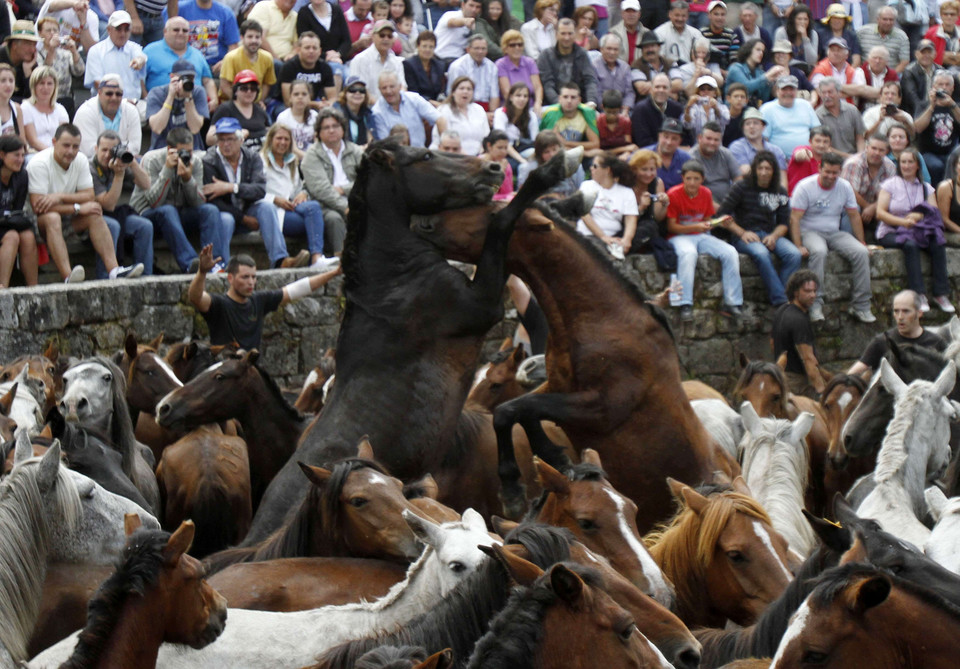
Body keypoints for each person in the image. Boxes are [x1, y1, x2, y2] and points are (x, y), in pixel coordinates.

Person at [28, 123, 143, 283]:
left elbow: (89, 195)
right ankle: (68, 277)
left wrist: (59, 196)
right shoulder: (39, 163)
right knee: (52, 217)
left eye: (75, 146)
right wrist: (77, 207)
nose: (71, 151)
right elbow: (38, 206)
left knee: (94, 213)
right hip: (36, 223)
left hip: (65, 217)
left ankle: (114, 270)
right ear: (54, 142)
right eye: (66, 145)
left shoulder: (80, 159)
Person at [188, 246, 342, 350]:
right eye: (245, 277)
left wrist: (334, 273)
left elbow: (296, 289)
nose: (251, 282)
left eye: (254, 277)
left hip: (250, 373)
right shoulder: (219, 304)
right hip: (223, 375)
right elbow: (196, 297)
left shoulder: (259, 300)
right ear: (230, 278)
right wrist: (202, 272)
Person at [203, 117, 306, 269]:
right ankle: (222, 267)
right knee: (225, 220)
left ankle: (280, 260)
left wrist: (231, 187)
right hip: (227, 211)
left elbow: (259, 190)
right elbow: (212, 199)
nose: (226, 144)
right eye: (221, 139)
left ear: (240, 140)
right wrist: (243, 218)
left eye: (230, 139)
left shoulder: (252, 157)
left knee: (267, 208)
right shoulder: (209, 160)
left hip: (248, 207)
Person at [789, 151, 874, 323]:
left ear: (840, 172)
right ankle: (815, 304)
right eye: (827, 171)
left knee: (861, 252)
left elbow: (854, 216)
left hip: (834, 232)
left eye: (835, 173)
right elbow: (794, 218)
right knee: (819, 251)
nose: (830, 176)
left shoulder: (844, 186)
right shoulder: (805, 186)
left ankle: (861, 305)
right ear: (820, 168)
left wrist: (862, 242)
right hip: (810, 231)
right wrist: (798, 245)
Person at [130, 126, 227, 274]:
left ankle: (213, 264)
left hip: (178, 214)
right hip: (148, 215)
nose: (187, 156)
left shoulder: (195, 161)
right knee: (167, 211)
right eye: (183, 152)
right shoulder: (152, 160)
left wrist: (187, 179)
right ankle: (190, 264)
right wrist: (168, 169)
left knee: (210, 210)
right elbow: (155, 202)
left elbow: (199, 202)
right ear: (170, 149)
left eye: (190, 151)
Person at [874, 148, 954, 313]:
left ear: (917, 165)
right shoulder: (889, 185)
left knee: (938, 244)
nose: (907, 165)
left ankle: (941, 293)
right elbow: (880, 213)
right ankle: (919, 294)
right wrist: (903, 221)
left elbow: (933, 212)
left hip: (918, 230)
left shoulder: (926, 188)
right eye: (903, 162)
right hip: (892, 230)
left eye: (911, 162)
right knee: (910, 246)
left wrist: (917, 216)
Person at [665, 159, 743, 321]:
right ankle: (685, 302)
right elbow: (671, 227)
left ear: (702, 179)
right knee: (689, 254)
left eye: (696, 179)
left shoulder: (706, 193)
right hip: (679, 236)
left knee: (730, 252)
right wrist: (696, 227)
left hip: (700, 235)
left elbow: (707, 221)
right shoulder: (673, 194)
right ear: (683, 179)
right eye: (689, 178)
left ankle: (733, 301)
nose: (692, 183)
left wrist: (718, 222)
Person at [718, 149, 799, 305]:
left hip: (770, 233)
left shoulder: (779, 191)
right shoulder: (741, 187)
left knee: (793, 254)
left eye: (767, 169)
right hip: (744, 235)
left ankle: (782, 294)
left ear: (773, 171)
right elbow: (722, 216)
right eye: (760, 168)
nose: (763, 172)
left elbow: (783, 223)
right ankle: (782, 301)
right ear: (754, 169)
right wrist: (742, 233)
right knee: (762, 254)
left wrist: (774, 236)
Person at [261, 122, 336, 270]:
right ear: (271, 140)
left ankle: (316, 258)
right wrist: (275, 199)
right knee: (314, 221)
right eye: (279, 138)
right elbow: (255, 191)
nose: (283, 143)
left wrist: (303, 193)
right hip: (274, 210)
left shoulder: (292, 162)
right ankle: (315, 257)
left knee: (313, 207)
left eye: (286, 139)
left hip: (292, 206)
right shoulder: (260, 161)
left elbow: (297, 188)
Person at [90, 130, 155, 276]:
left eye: (111, 151)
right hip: (94, 218)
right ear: (96, 149)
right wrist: (119, 176)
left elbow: (146, 184)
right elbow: (108, 205)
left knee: (145, 226)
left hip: (115, 214)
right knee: (112, 226)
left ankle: (146, 278)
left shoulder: (119, 162)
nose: (107, 155)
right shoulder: (91, 168)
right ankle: (104, 278)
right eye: (104, 150)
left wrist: (131, 162)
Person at [301, 107, 364, 255]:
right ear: (319, 132)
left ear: (343, 129)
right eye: (326, 127)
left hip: (355, 200)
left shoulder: (355, 151)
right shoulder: (312, 155)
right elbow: (321, 189)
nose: (331, 130)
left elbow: (366, 180)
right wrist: (346, 208)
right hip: (325, 205)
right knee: (334, 219)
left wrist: (344, 189)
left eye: (335, 126)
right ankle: (340, 258)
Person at [847, 290, 949, 378]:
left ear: (919, 313)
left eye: (906, 311)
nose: (900, 317)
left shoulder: (937, 342)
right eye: (896, 311)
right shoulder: (882, 342)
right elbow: (853, 374)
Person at [770, 269, 826, 398]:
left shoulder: (781, 310)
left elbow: (772, 343)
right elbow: (808, 359)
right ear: (795, 292)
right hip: (797, 383)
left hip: (780, 377)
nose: (812, 295)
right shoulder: (799, 320)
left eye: (814, 291)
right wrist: (821, 391)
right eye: (807, 291)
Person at [143, 16, 218, 109]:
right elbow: (139, 79)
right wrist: (147, 100)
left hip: (192, 108)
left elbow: (207, 80)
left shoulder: (197, 54)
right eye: (176, 30)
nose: (181, 33)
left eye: (185, 31)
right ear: (165, 31)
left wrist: (214, 99)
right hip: (160, 107)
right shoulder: (150, 51)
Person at [576, 151, 640, 255]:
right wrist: (603, 237)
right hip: (587, 235)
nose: (591, 168)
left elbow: (631, 218)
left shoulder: (626, 192)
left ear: (607, 170)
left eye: (595, 166)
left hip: (615, 237)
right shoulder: (586, 186)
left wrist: (626, 239)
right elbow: (584, 215)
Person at [84, 11, 146, 108]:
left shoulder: (134, 48)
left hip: (133, 105)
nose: (123, 33)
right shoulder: (96, 51)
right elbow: (98, 83)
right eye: (118, 29)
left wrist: (139, 61)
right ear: (109, 30)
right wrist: (120, 100)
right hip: (104, 105)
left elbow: (141, 58)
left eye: (126, 30)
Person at [73, 74, 141, 159]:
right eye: (109, 93)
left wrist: (106, 149)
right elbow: (89, 150)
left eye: (118, 94)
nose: (114, 98)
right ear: (99, 93)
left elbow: (135, 147)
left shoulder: (131, 111)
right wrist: (121, 148)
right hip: (92, 164)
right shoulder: (85, 112)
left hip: (124, 162)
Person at [146, 58, 209, 151]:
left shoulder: (198, 92)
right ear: (172, 77)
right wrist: (170, 96)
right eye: (182, 78)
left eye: (190, 78)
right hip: (161, 149)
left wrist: (188, 98)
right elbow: (157, 128)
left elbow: (195, 128)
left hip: (192, 149)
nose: (186, 82)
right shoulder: (156, 93)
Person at [161, 0, 240, 72]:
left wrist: (225, 62)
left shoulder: (226, 13)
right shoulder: (179, 9)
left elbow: (233, 46)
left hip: (215, 67)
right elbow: (166, 39)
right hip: (185, 65)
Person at [0, 135, 38, 287]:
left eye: (23, 155)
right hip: (4, 225)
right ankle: (2, 286)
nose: (21, 160)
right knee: (12, 237)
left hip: (6, 221)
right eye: (16, 155)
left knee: (28, 236)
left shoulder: (21, 175)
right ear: (2, 155)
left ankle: (33, 289)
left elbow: (17, 209)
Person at [371, 70, 445, 146]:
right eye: (384, 88)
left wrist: (443, 145)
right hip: (395, 155)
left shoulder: (414, 99)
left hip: (420, 154)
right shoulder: (376, 112)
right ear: (379, 89)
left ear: (400, 86)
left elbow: (440, 119)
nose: (388, 91)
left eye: (392, 86)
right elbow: (384, 144)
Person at [537, 18, 598, 106]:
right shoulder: (545, 55)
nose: (567, 37)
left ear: (575, 35)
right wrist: (560, 104)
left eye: (570, 33)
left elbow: (590, 80)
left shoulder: (582, 54)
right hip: (553, 105)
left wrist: (591, 101)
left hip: (579, 103)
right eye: (563, 33)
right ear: (556, 34)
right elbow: (547, 85)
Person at [840, 134, 896, 228]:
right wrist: (867, 207)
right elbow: (850, 192)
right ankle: (851, 240)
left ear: (886, 152)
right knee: (852, 207)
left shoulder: (890, 166)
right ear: (867, 148)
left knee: (894, 206)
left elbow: (891, 193)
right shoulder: (854, 163)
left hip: (877, 204)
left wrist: (873, 207)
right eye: (873, 148)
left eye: (881, 150)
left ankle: (885, 238)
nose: (877, 153)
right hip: (855, 202)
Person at [915, 70, 960, 184]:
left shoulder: (956, 106)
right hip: (929, 152)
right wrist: (932, 106)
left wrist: (952, 105)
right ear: (933, 86)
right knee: (936, 166)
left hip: (952, 151)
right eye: (940, 84)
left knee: (953, 163)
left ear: (953, 88)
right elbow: (918, 128)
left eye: (947, 84)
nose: (944, 88)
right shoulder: (923, 105)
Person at [760, 74, 821, 158]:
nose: (788, 93)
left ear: (796, 91)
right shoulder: (767, 109)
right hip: (779, 160)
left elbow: (817, 131)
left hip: (808, 157)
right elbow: (763, 140)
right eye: (784, 89)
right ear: (777, 90)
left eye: (791, 89)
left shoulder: (805, 105)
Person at [208, 70, 271, 150]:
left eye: (253, 89)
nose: (249, 92)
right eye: (244, 88)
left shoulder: (260, 110)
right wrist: (234, 135)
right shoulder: (225, 109)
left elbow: (270, 132)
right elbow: (209, 138)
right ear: (235, 91)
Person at [36, 15, 85, 118]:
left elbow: (79, 71)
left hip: (65, 100)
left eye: (55, 30)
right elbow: (43, 75)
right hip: (45, 100)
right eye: (48, 31)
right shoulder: (37, 55)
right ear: (40, 33)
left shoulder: (65, 54)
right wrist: (51, 50)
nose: (52, 34)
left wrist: (74, 51)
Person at [219, 20, 278, 104]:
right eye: (250, 37)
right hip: (231, 103)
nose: (254, 40)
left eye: (257, 37)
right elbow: (225, 85)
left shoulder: (267, 58)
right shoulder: (231, 57)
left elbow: (267, 83)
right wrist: (239, 103)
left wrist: (259, 101)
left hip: (255, 103)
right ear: (242, 38)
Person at [277, 31, 336, 110]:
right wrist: (315, 104)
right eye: (307, 47)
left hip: (315, 102)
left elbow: (332, 98)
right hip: (284, 105)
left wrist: (328, 104)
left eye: (314, 48)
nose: (311, 51)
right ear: (298, 50)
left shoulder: (325, 68)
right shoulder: (288, 67)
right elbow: (288, 101)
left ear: (320, 51)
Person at [431, 76, 489, 155]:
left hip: (478, 156)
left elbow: (486, 136)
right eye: (461, 88)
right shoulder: (444, 110)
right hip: (453, 155)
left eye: (469, 89)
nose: (465, 92)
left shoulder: (479, 109)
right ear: (453, 92)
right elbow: (445, 140)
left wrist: (482, 154)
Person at [351, 19, 407, 102]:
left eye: (389, 36)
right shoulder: (360, 60)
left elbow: (402, 88)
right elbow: (360, 91)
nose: (386, 39)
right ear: (373, 36)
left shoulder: (397, 62)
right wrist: (382, 107)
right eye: (382, 35)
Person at [628, 148, 670, 257]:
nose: (649, 174)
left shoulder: (657, 183)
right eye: (644, 169)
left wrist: (665, 204)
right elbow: (623, 218)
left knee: (651, 226)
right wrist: (641, 208)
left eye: (652, 169)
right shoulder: (627, 184)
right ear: (634, 169)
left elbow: (657, 217)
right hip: (627, 226)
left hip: (647, 228)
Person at [517, 128, 584, 197]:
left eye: (554, 149)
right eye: (546, 152)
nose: (552, 154)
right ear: (539, 154)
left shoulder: (574, 167)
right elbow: (523, 196)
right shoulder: (528, 169)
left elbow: (578, 193)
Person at [538, 80, 599, 152]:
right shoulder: (551, 114)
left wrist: (567, 143)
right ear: (559, 99)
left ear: (579, 100)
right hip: (555, 154)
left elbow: (595, 144)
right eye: (565, 97)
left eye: (573, 97)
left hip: (580, 152)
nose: (569, 101)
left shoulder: (586, 114)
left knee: (597, 154)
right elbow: (551, 145)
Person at [689, 120, 740, 204]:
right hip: (703, 202)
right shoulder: (691, 157)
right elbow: (694, 188)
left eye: (716, 140)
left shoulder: (726, 154)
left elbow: (738, 178)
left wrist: (735, 197)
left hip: (728, 200)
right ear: (699, 138)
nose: (712, 143)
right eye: (708, 138)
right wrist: (720, 209)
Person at [446, 34, 500, 111]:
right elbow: (454, 95)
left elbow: (494, 95)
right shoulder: (458, 66)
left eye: (483, 48)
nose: (480, 51)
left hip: (487, 108)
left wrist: (492, 115)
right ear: (468, 49)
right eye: (476, 48)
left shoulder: (492, 67)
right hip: (464, 108)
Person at [21, 66, 69, 153]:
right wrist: (53, 154)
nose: (46, 88)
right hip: (35, 154)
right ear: (34, 86)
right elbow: (33, 141)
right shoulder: (26, 108)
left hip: (58, 153)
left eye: (49, 83)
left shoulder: (60, 109)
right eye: (41, 83)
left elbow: (64, 137)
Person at [729, 107, 787, 178]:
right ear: (743, 128)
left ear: (763, 127)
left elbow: (782, 177)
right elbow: (745, 172)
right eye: (747, 124)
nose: (751, 126)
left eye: (755, 123)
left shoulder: (775, 150)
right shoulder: (736, 147)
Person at [814, 77, 864, 159]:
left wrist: (860, 157)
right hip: (831, 160)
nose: (827, 96)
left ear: (839, 93)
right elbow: (824, 147)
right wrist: (851, 158)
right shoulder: (818, 115)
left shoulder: (852, 110)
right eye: (823, 93)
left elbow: (860, 138)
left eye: (830, 92)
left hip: (855, 158)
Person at [631, 72, 684, 147]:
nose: (661, 90)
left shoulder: (677, 108)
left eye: (665, 87)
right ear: (651, 89)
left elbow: (685, 137)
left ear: (670, 90)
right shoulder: (640, 109)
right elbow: (643, 142)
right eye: (657, 87)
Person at [496, 29, 543, 114]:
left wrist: (538, 103)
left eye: (520, 45)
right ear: (505, 48)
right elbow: (507, 92)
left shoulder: (530, 62)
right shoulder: (501, 65)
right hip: (511, 109)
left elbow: (538, 87)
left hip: (531, 107)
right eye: (512, 45)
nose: (517, 48)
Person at [725, 38, 785, 103]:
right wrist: (767, 76)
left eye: (762, 51)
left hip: (754, 109)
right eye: (758, 50)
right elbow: (746, 88)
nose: (761, 53)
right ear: (749, 50)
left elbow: (764, 98)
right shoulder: (735, 68)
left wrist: (770, 82)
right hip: (734, 109)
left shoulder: (760, 72)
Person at [493, 82, 539, 165]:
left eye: (525, 96)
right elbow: (501, 141)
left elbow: (535, 140)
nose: (522, 99)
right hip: (504, 151)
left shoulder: (531, 116)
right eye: (518, 95)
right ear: (511, 97)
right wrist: (521, 160)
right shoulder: (501, 113)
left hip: (524, 149)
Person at [296, 0, 352, 68]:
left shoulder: (337, 10)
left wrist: (338, 54)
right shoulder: (304, 13)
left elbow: (347, 41)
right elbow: (304, 44)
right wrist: (326, 56)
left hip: (340, 60)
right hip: (316, 63)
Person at [857, 7, 910, 74]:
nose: (888, 23)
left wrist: (891, 77)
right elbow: (855, 56)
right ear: (878, 19)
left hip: (890, 77)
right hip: (864, 75)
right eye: (885, 19)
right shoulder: (862, 32)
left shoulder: (902, 37)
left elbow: (904, 62)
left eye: (891, 20)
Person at [246, 0, 299, 65]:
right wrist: (277, 59)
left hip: (287, 62)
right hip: (262, 58)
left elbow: (297, 43)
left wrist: (292, 55)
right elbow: (259, 37)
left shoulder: (295, 16)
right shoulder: (264, 7)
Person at [0, 21, 41, 103]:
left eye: (34, 44)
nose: (33, 49)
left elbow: (36, 98)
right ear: (15, 45)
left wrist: (28, 74)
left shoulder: (31, 63)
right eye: (28, 44)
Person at [645, 117, 692, 188]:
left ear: (680, 141)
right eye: (666, 137)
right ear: (659, 136)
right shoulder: (643, 156)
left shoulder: (687, 159)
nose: (669, 142)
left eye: (674, 138)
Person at [592, 34, 635, 110]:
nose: (612, 52)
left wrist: (625, 110)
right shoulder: (594, 67)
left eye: (615, 49)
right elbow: (596, 93)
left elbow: (629, 92)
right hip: (602, 109)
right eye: (609, 49)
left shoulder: (625, 67)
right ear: (601, 49)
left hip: (622, 109)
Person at [787, 125, 833, 194]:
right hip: (795, 197)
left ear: (830, 144)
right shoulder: (802, 149)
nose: (821, 145)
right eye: (818, 141)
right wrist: (802, 154)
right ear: (810, 141)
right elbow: (798, 155)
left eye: (825, 142)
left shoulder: (829, 159)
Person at [655, 1, 702, 67]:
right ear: (670, 14)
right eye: (677, 15)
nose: (680, 19)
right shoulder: (659, 32)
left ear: (688, 16)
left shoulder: (695, 33)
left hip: (691, 71)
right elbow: (659, 58)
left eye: (683, 16)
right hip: (668, 70)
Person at [403, 31, 445, 103]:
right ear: (418, 46)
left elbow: (441, 90)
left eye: (431, 47)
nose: (427, 50)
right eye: (424, 46)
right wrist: (432, 102)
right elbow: (413, 92)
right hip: (418, 104)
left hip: (437, 103)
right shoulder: (409, 65)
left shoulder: (439, 65)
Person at [277, 80, 319, 153]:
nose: (300, 97)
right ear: (290, 97)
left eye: (304, 94)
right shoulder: (283, 117)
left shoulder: (315, 116)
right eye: (296, 94)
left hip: (312, 155)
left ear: (310, 97)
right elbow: (290, 148)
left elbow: (318, 144)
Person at [700, 0, 740, 74]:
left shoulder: (732, 35)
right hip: (704, 72)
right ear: (709, 15)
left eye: (722, 14)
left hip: (726, 73)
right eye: (716, 14)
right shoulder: (701, 34)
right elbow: (698, 59)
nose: (719, 18)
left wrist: (726, 73)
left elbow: (734, 60)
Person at [334, 75, 375, 146]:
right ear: (345, 93)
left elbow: (371, 140)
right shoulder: (337, 112)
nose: (357, 93)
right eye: (353, 90)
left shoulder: (367, 113)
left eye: (361, 90)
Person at [772, 4, 818, 69]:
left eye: (805, 19)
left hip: (807, 70)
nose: (802, 22)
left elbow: (812, 61)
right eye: (799, 19)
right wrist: (800, 66)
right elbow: (780, 58)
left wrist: (805, 37)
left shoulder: (813, 34)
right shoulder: (781, 32)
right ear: (793, 20)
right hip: (786, 68)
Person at [631, 31, 674, 99]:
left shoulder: (670, 63)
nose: (650, 50)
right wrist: (669, 92)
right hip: (646, 105)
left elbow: (678, 84)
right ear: (642, 50)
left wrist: (651, 85)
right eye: (646, 47)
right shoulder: (636, 65)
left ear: (659, 47)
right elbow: (642, 89)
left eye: (652, 46)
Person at [815, 3, 861, 67]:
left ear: (844, 20)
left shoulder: (852, 36)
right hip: (825, 71)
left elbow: (856, 58)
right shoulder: (820, 34)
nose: (837, 21)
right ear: (829, 20)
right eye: (834, 18)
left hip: (847, 71)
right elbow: (816, 59)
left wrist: (849, 73)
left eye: (840, 18)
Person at [597, 89, 637, 156]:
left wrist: (626, 153)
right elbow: (597, 149)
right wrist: (624, 149)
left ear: (621, 109)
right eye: (608, 112)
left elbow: (629, 145)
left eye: (615, 112)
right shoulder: (598, 122)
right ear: (602, 107)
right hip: (602, 155)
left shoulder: (625, 122)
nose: (612, 116)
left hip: (622, 155)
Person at [924, 0, 960, 71]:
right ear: (941, 15)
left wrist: (946, 55)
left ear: (957, 16)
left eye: (952, 14)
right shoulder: (931, 32)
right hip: (935, 70)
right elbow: (927, 56)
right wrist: (954, 56)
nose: (949, 17)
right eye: (945, 14)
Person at [609, 0, 648, 64]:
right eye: (627, 11)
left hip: (641, 70)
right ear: (622, 14)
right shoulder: (613, 33)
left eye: (634, 11)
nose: (631, 15)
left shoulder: (647, 34)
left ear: (639, 14)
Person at [481, 129, 515, 200]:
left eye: (505, 148)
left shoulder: (506, 165)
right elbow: (490, 193)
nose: (503, 152)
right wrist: (500, 172)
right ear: (489, 146)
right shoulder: (481, 164)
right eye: (499, 148)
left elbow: (508, 192)